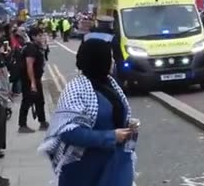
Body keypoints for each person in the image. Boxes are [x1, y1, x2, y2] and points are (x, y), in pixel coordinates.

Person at [39, 38, 136, 186]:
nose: (113, 61)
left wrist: (129, 125)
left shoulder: (111, 83)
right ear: (99, 60)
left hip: (115, 166)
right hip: (85, 170)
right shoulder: (75, 89)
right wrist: (111, 136)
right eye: (109, 57)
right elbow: (68, 132)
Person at [18, 27, 49, 133]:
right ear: (33, 37)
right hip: (30, 79)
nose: (42, 37)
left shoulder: (36, 47)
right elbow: (29, 66)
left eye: (42, 35)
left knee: (40, 101)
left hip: (36, 78)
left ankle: (43, 122)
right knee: (27, 101)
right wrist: (33, 83)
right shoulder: (31, 49)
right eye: (39, 36)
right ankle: (22, 125)